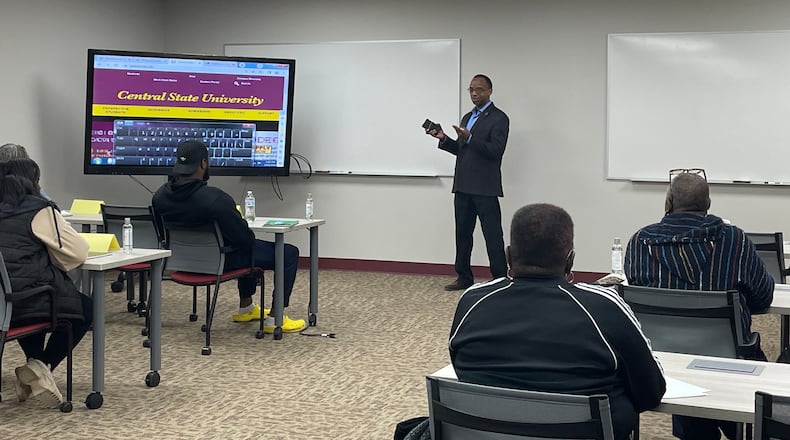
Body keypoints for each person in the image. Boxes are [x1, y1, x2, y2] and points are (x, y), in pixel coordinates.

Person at [449, 203, 666, 440]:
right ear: (570, 260)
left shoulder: (472, 302)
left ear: (508, 255)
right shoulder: (603, 306)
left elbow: (462, 372)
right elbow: (650, 392)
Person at [624, 169, 774, 440]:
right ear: (708, 205)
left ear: (668, 203)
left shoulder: (640, 243)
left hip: (663, 361)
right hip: (731, 360)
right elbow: (764, 296)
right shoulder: (734, 240)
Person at [152, 141, 306, 332]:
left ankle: (246, 308)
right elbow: (245, 240)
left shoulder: (159, 197)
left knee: (246, 246)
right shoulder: (216, 199)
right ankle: (275, 319)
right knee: (287, 253)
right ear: (203, 164)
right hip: (220, 262)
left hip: (180, 263)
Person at [0, 158, 92, 408]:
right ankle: (40, 366)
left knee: (24, 302)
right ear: (34, 183)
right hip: (24, 301)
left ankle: (35, 365)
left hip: (5, 307)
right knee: (84, 309)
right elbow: (78, 254)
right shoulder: (39, 209)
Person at [425, 74, 509, 291]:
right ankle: (463, 276)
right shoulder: (466, 117)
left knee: (492, 234)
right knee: (462, 234)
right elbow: (463, 152)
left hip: (485, 187)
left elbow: (496, 151)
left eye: (479, 89)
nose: (474, 93)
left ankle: (500, 278)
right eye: (471, 89)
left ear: (490, 91)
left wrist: (471, 138)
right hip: (463, 185)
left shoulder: (499, 118)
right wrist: (443, 139)